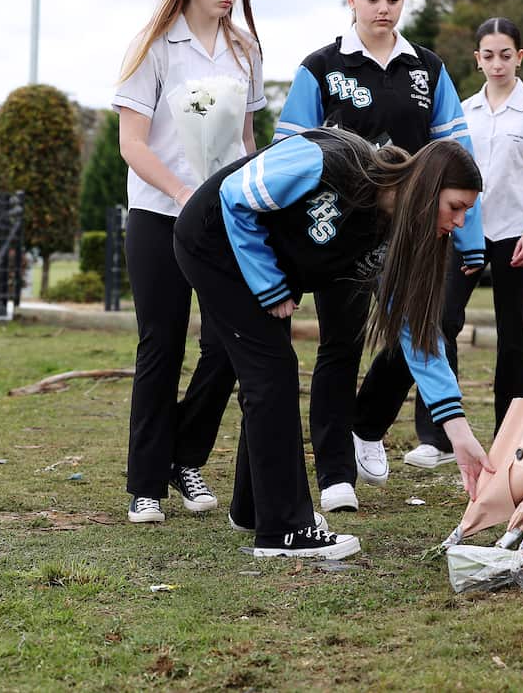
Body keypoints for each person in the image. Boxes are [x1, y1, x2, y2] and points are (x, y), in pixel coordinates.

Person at [172, 127, 493, 558]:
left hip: (257, 259)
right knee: (273, 374)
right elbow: (235, 194)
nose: (458, 222)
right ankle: (284, 530)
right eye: (455, 207)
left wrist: (457, 432)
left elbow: (417, 332)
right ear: (427, 187)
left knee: (269, 375)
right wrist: (268, 282)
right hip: (213, 239)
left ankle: (254, 509)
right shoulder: (332, 161)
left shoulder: (392, 233)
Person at [274, 0, 485, 512]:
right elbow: (288, 151)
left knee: (426, 328)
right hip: (339, 235)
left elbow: (457, 155)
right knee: (339, 344)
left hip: (417, 233)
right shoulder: (321, 68)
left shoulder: (429, 69)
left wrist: (469, 237)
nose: (383, 8)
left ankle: (366, 426)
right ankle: (335, 473)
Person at [359, 17, 523, 468]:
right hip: (458, 232)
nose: (498, 63)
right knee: (439, 321)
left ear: (520, 57)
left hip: (515, 233)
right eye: (489, 55)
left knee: (514, 335)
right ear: (477, 59)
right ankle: (434, 436)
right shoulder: (463, 110)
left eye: (506, 54)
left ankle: (514, 436)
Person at [113, 0, 266, 524]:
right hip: (158, 214)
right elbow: (132, 143)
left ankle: (184, 455)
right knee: (162, 343)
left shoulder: (246, 50)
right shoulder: (153, 45)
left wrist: (248, 199)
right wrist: (182, 192)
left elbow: (247, 140)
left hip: (224, 216)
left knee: (229, 342)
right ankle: (145, 483)